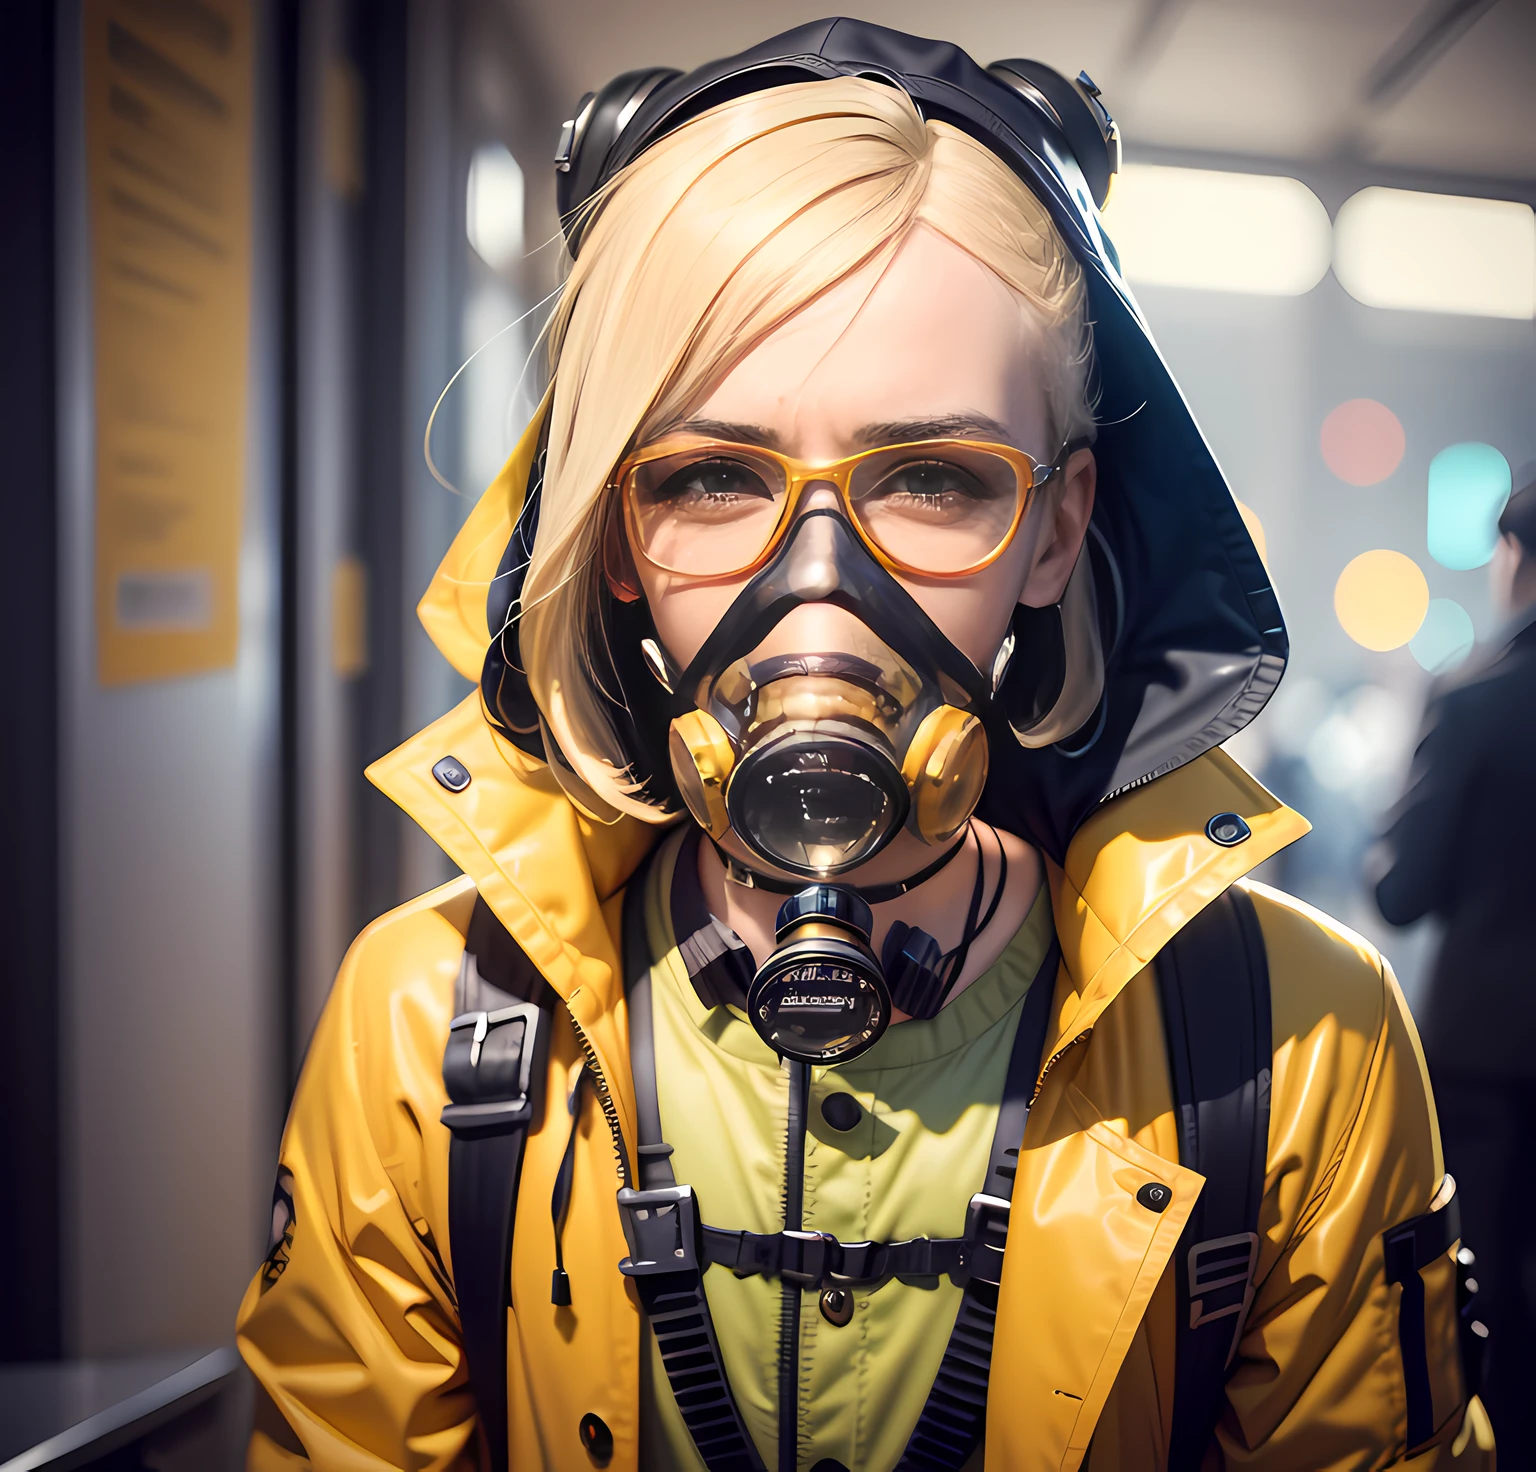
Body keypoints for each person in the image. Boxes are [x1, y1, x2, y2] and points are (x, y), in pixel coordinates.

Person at [236, 22, 1491, 1471]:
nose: (818, 589)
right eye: (712, 476)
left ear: (1057, 527)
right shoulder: (422, 1027)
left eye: (934, 480)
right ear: (616, 533)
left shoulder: (1294, 1044)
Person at [1376, 475, 1536, 1464]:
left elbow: (1404, 891)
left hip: (1484, 1048)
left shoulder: (1478, 698)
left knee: (1477, 1276)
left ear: (1517, 558)